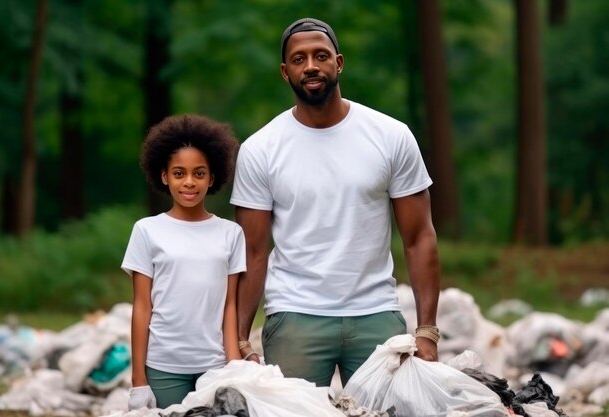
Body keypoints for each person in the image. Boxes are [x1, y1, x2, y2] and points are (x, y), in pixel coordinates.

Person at [230, 17, 441, 388]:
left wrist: (427, 330)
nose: (310, 66)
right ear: (285, 72)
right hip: (295, 317)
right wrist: (240, 338)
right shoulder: (260, 149)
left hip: (375, 312)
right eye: (299, 59)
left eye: (320, 55)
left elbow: (419, 237)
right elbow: (252, 250)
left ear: (338, 63)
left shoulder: (391, 136)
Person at [122, 114, 246, 409]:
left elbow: (229, 305)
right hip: (163, 366)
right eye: (179, 173)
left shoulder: (230, 234)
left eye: (199, 173)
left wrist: (234, 364)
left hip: (214, 366)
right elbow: (142, 307)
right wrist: (138, 379)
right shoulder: (146, 230)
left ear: (212, 177)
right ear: (164, 176)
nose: (189, 182)